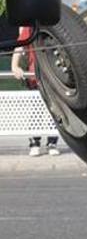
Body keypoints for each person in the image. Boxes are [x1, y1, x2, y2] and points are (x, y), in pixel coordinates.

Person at [10, 26, 60, 156]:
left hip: (53, 77)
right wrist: (15, 66)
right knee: (35, 111)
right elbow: (19, 47)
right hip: (35, 77)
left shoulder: (55, 27)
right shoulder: (30, 28)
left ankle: (52, 142)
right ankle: (34, 143)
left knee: (54, 110)